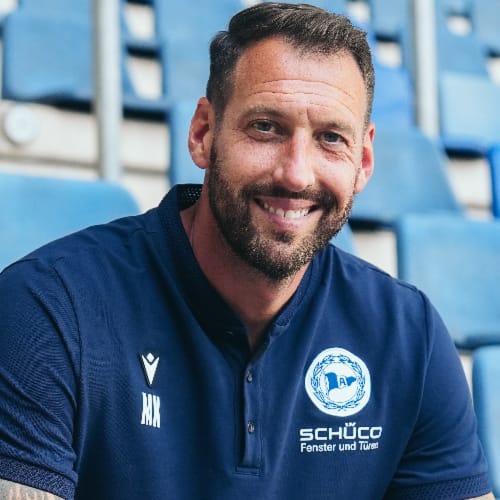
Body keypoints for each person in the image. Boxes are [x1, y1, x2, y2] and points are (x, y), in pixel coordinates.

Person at [0, 3, 494, 499]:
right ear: (202, 133)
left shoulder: (410, 336)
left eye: (330, 138)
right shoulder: (50, 308)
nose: (296, 173)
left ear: (362, 161)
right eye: (265, 127)